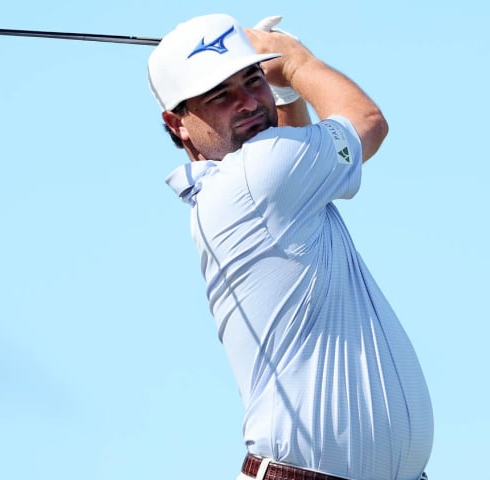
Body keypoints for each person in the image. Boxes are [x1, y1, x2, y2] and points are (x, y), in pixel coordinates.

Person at [147, 13, 433, 480]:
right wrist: (296, 62)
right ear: (177, 123)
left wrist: (285, 94)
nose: (245, 102)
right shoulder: (253, 177)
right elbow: (367, 122)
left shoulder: (270, 179)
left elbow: (293, 141)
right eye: (220, 95)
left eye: (252, 79)